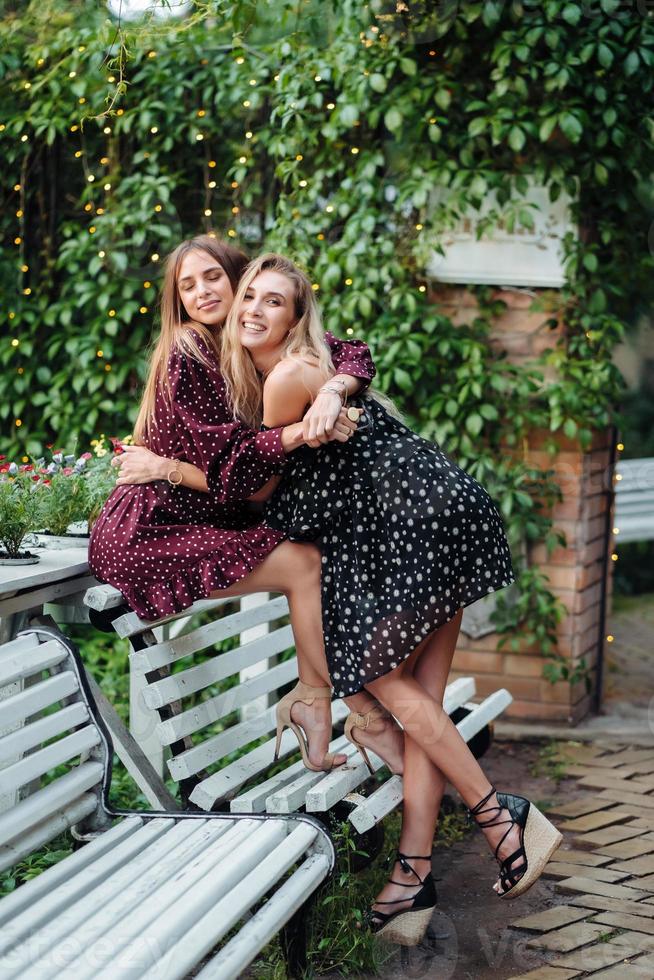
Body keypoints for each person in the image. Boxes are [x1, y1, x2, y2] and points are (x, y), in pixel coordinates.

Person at [216, 252, 562, 945]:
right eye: (248, 295)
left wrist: (174, 476)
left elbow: (251, 496)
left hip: (413, 526)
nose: (254, 309)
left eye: (273, 301)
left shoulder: (286, 380)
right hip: (437, 511)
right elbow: (345, 370)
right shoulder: (311, 366)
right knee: (419, 706)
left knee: (377, 682)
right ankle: (412, 878)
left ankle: (499, 815)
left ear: (296, 317)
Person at [88, 234, 402, 773]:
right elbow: (233, 470)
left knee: (309, 553)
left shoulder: (249, 334)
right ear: (178, 301)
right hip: (149, 529)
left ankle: (324, 708)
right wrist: (300, 433)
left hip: (195, 512)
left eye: (213, 276)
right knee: (304, 563)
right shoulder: (189, 352)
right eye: (188, 285)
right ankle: (348, 714)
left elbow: (348, 350)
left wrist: (332, 390)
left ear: (240, 280)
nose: (203, 292)